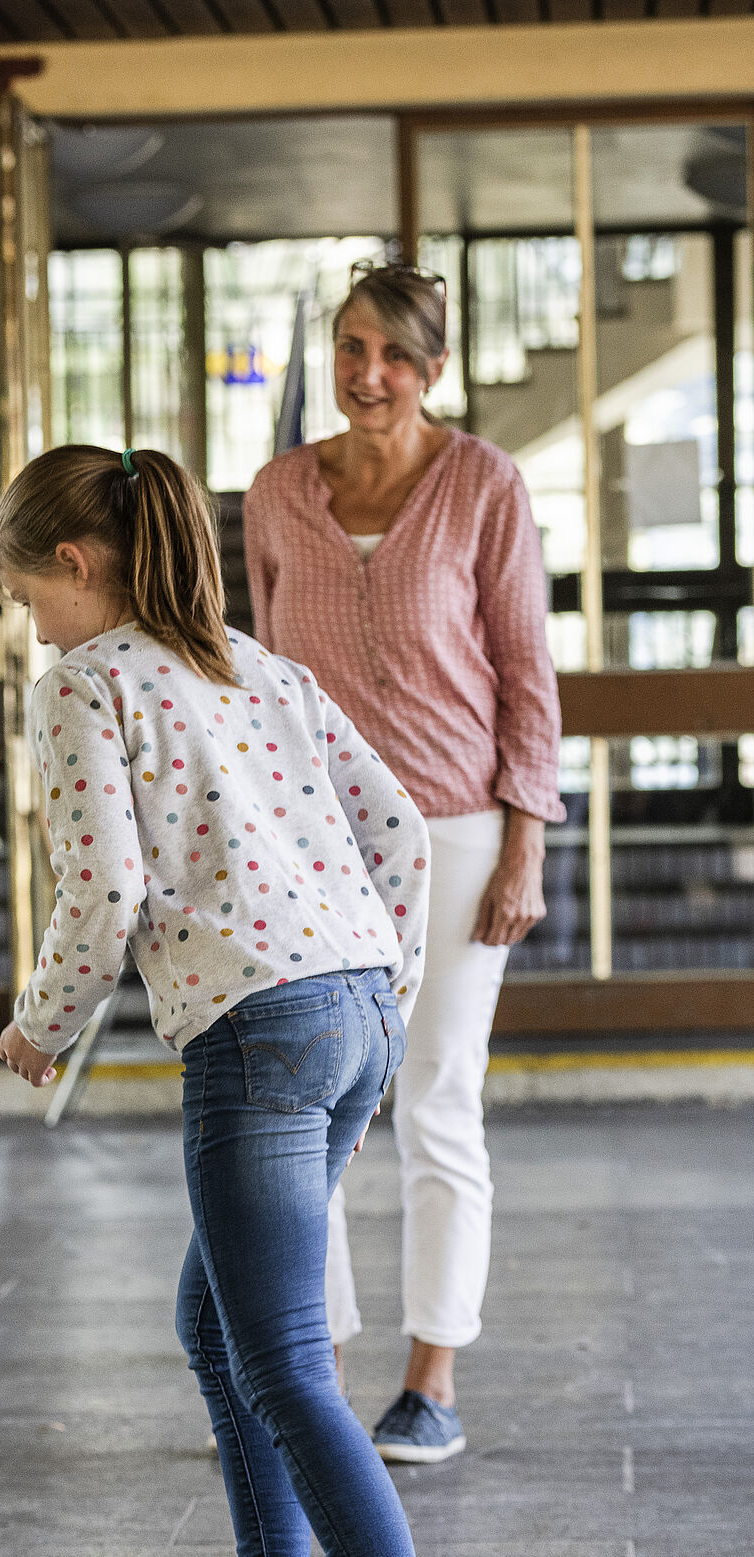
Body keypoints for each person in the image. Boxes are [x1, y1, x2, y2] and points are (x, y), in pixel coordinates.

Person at [0, 443, 484, 1557]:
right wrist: (387, 989)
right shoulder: (260, 667)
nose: (30, 620)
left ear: (78, 570)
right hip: (349, 1016)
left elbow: (103, 899)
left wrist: (40, 1027)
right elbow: (403, 833)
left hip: (258, 1034)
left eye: (28, 592)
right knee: (212, 1319)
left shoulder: (87, 685)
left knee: (279, 1364)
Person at [245, 264, 564, 1466]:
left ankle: (431, 1377)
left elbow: (526, 669)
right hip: (317, 840)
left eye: (391, 355)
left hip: (458, 828)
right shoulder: (279, 493)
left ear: (430, 370)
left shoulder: (483, 484)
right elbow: (265, 679)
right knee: (314, 1103)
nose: (366, 374)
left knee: (436, 1098)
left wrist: (525, 834)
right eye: (349, 348)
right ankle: (312, 1369)